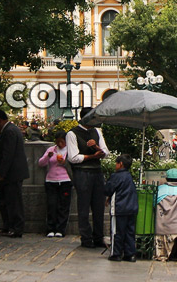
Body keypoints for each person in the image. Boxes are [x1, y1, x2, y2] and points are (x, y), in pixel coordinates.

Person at [66, 106, 109, 248]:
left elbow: (106, 153)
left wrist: (96, 148)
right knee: (83, 206)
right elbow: (73, 157)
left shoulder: (97, 132)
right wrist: (92, 156)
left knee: (98, 206)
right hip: (82, 172)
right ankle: (86, 238)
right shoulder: (72, 134)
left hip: (97, 171)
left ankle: (98, 237)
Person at [0, 108, 28, 237]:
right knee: (2, 198)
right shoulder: (10, 130)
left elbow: (8, 154)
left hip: (12, 174)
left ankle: (16, 228)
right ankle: (8, 226)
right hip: (11, 174)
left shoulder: (10, 131)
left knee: (13, 201)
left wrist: (2, 172)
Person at [38, 130, 72, 238]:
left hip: (65, 180)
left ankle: (60, 229)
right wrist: (48, 156)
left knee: (63, 206)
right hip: (51, 180)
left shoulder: (70, 150)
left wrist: (64, 162)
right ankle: (50, 229)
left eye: (62, 142)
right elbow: (41, 163)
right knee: (51, 205)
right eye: (58, 142)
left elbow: (74, 164)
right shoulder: (51, 150)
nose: (60, 144)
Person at [105, 153, 138, 262]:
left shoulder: (116, 176)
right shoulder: (128, 176)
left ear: (121, 164)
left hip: (119, 208)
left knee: (117, 231)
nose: (115, 165)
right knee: (129, 232)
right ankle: (130, 254)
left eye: (117, 163)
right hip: (132, 207)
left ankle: (116, 253)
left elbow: (108, 189)